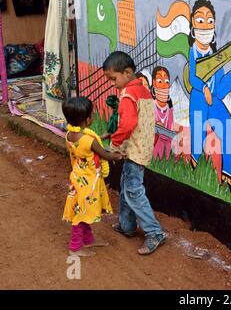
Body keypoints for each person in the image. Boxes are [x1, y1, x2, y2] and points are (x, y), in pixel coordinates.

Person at [102, 51, 167, 255]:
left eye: (114, 79)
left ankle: (155, 232)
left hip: (134, 151)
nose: (113, 84)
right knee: (126, 186)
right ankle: (127, 225)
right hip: (142, 147)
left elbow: (129, 122)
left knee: (132, 190)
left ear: (127, 72)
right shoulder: (142, 90)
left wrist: (115, 142)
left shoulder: (128, 94)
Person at [188, 0, 231, 190]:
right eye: (200, 20)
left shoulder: (216, 55)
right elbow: (192, 77)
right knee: (198, 139)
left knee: (230, 130)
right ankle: (192, 172)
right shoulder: (194, 52)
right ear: (193, 25)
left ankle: (228, 178)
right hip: (199, 101)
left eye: (209, 20)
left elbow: (219, 89)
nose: (205, 25)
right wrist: (204, 88)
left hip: (214, 103)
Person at [62, 97, 123, 257]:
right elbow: (105, 155)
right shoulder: (89, 140)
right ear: (87, 119)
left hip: (77, 179)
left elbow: (88, 143)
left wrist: (101, 137)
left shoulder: (70, 135)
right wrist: (118, 155)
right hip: (89, 183)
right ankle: (74, 248)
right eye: (93, 113)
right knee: (81, 217)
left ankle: (88, 240)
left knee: (84, 211)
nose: (94, 115)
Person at [151, 66, 177, 161]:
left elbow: (170, 127)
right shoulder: (150, 106)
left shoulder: (169, 109)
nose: (163, 85)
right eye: (160, 81)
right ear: (154, 83)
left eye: (166, 82)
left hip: (167, 145)